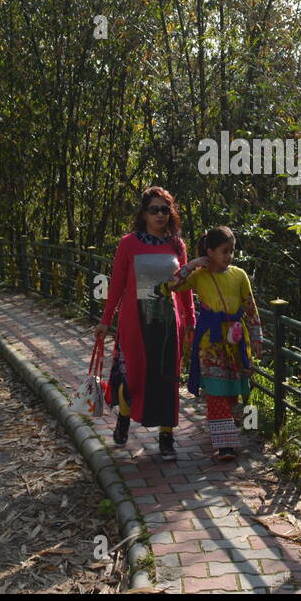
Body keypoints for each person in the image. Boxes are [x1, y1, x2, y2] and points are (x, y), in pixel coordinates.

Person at [95, 187, 195, 460]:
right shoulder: (128, 243)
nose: (160, 215)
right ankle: (124, 419)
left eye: (165, 209)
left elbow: (185, 286)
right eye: (154, 209)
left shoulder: (177, 245)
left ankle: (166, 438)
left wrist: (190, 320)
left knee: (167, 379)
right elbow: (116, 285)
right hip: (134, 323)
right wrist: (105, 320)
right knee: (133, 377)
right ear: (143, 213)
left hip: (166, 324)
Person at [156, 226, 262, 461]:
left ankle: (222, 432)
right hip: (210, 344)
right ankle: (225, 446)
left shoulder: (239, 275)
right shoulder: (200, 275)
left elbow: (250, 308)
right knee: (215, 391)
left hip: (235, 343)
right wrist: (192, 264)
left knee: (232, 392)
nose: (229, 256)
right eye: (224, 251)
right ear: (210, 251)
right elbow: (170, 286)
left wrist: (256, 337)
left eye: (232, 251)